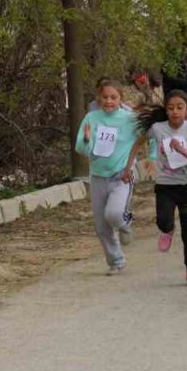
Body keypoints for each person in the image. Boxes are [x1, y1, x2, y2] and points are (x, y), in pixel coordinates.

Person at [138, 90, 187, 285]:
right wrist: (128, 164)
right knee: (163, 219)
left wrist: (182, 150)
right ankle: (167, 230)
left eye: (180, 107)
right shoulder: (158, 129)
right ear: (166, 110)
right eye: (170, 108)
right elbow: (138, 140)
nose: (175, 112)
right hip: (166, 185)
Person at [76, 79, 143, 275]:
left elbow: (149, 135)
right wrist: (87, 139)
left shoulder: (130, 118)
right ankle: (116, 261)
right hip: (97, 176)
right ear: (98, 98)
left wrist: (153, 157)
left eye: (113, 97)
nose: (109, 101)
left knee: (113, 214)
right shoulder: (91, 118)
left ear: (120, 98)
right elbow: (81, 148)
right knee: (101, 226)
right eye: (105, 97)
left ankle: (126, 221)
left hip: (121, 175)